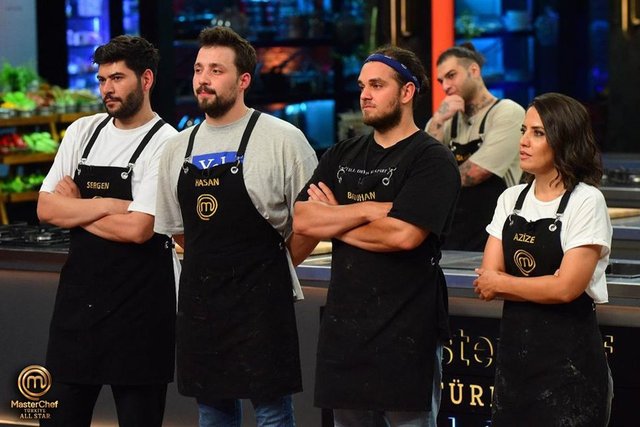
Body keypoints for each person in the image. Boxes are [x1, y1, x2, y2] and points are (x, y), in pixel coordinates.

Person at [153, 26, 318, 427]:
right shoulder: (177, 148)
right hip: (201, 302)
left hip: (263, 302)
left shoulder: (283, 139)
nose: (203, 79)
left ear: (243, 80)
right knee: (212, 411)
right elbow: (177, 230)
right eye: (198, 69)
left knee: (272, 412)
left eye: (216, 70)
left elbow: (313, 223)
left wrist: (269, 269)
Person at [293, 45, 461, 427]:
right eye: (362, 86)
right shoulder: (341, 154)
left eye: (377, 85)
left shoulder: (431, 159)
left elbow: (402, 235)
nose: (365, 95)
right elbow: (303, 219)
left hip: (408, 331)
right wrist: (368, 209)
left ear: (407, 91)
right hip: (344, 331)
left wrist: (334, 218)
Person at [37, 35, 178, 426]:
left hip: (140, 316)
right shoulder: (83, 132)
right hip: (76, 312)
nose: (107, 89)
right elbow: (46, 208)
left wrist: (77, 205)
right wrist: (110, 204)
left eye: (117, 78)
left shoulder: (167, 143)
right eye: (102, 80)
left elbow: (139, 229)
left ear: (146, 79)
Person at [473, 92, 613, 426]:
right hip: (514, 368)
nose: (523, 141)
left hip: (571, 372)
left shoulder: (586, 201)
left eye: (537, 133)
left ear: (564, 140)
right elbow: (486, 281)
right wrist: (542, 284)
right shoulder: (510, 199)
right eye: (523, 131)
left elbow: (567, 289)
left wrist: (505, 283)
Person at [426, 43, 524, 251]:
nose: (445, 86)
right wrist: (437, 121)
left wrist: (433, 181)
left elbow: (476, 172)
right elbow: (422, 166)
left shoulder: (507, 112)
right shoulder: (446, 120)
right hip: (451, 235)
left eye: (451, 76)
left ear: (474, 70)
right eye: (441, 81)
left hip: (495, 234)